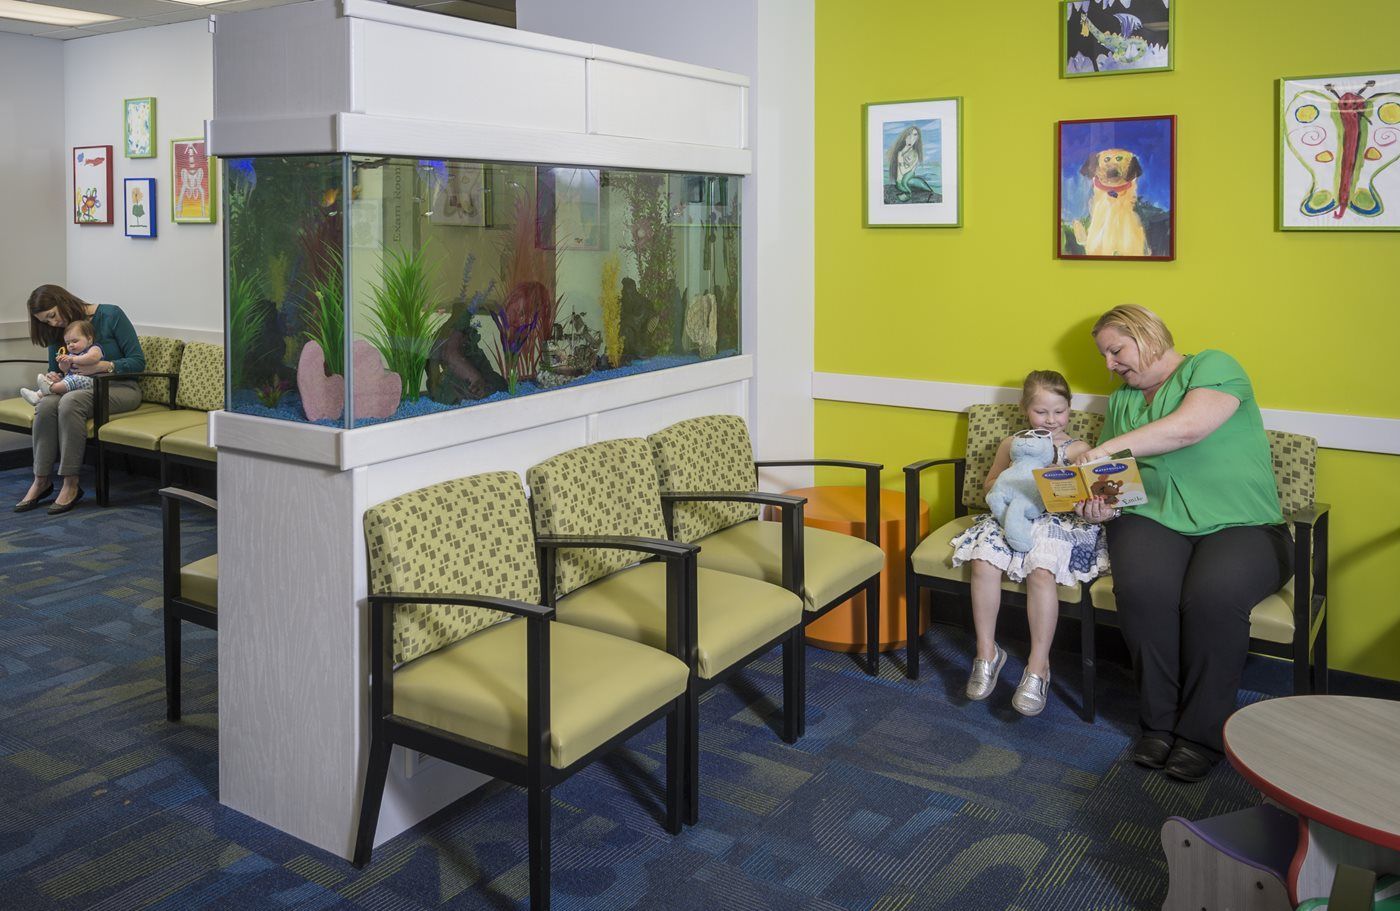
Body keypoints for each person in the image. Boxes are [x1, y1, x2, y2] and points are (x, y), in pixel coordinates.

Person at [1074, 304, 1290, 782]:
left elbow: (1190, 427)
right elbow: (1116, 482)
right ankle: (1158, 725)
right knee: (1144, 593)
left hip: (1243, 525)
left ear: (1147, 333)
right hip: (1152, 519)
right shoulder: (1122, 401)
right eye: (1104, 355)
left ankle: (1200, 735)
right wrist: (1101, 504)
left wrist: (1108, 448)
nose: (1109, 364)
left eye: (1116, 350)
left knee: (1212, 598)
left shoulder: (1213, 366)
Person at [950, 370, 1109, 716]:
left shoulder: (1079, 449)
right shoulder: (1014, 444)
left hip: (1058, 522)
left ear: (1070, 410)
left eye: (1059, 411)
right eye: (1041, 412)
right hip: (1011, 516)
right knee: (983, 561)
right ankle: (986, 653)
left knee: (1041, 571)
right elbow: (991, 484)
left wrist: (1077, 496)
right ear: (1025, 409)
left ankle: (1038, 667)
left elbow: (1091, 497)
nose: (1051, 420)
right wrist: (1008, 484)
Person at [14, 285, 146, 515]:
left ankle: (71, 483)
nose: (53, 324)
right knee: (45, 404)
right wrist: (54, 375)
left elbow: (137, 362)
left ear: (62, 300)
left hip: (120, 387)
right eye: (46, 321)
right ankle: (41, 479)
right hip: (77, 387)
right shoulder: (60, 332)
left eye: (53, 316)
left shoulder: (110, 315)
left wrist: (103, 365)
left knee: (70, 401)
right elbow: (57, 370)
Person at [20, 319, 104, 404]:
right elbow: (65, 370)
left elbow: (92, 358)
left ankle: (51, 388)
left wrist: (72, 359)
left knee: (74, 379)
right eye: (68, 343)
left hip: (91, 381)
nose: (71, 345)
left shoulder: (94, 348)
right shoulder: (71, 354)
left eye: (75, 341)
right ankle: (37, 395)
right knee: (60, 377)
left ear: (89, 339)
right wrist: (63, 363)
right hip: (73, 381)